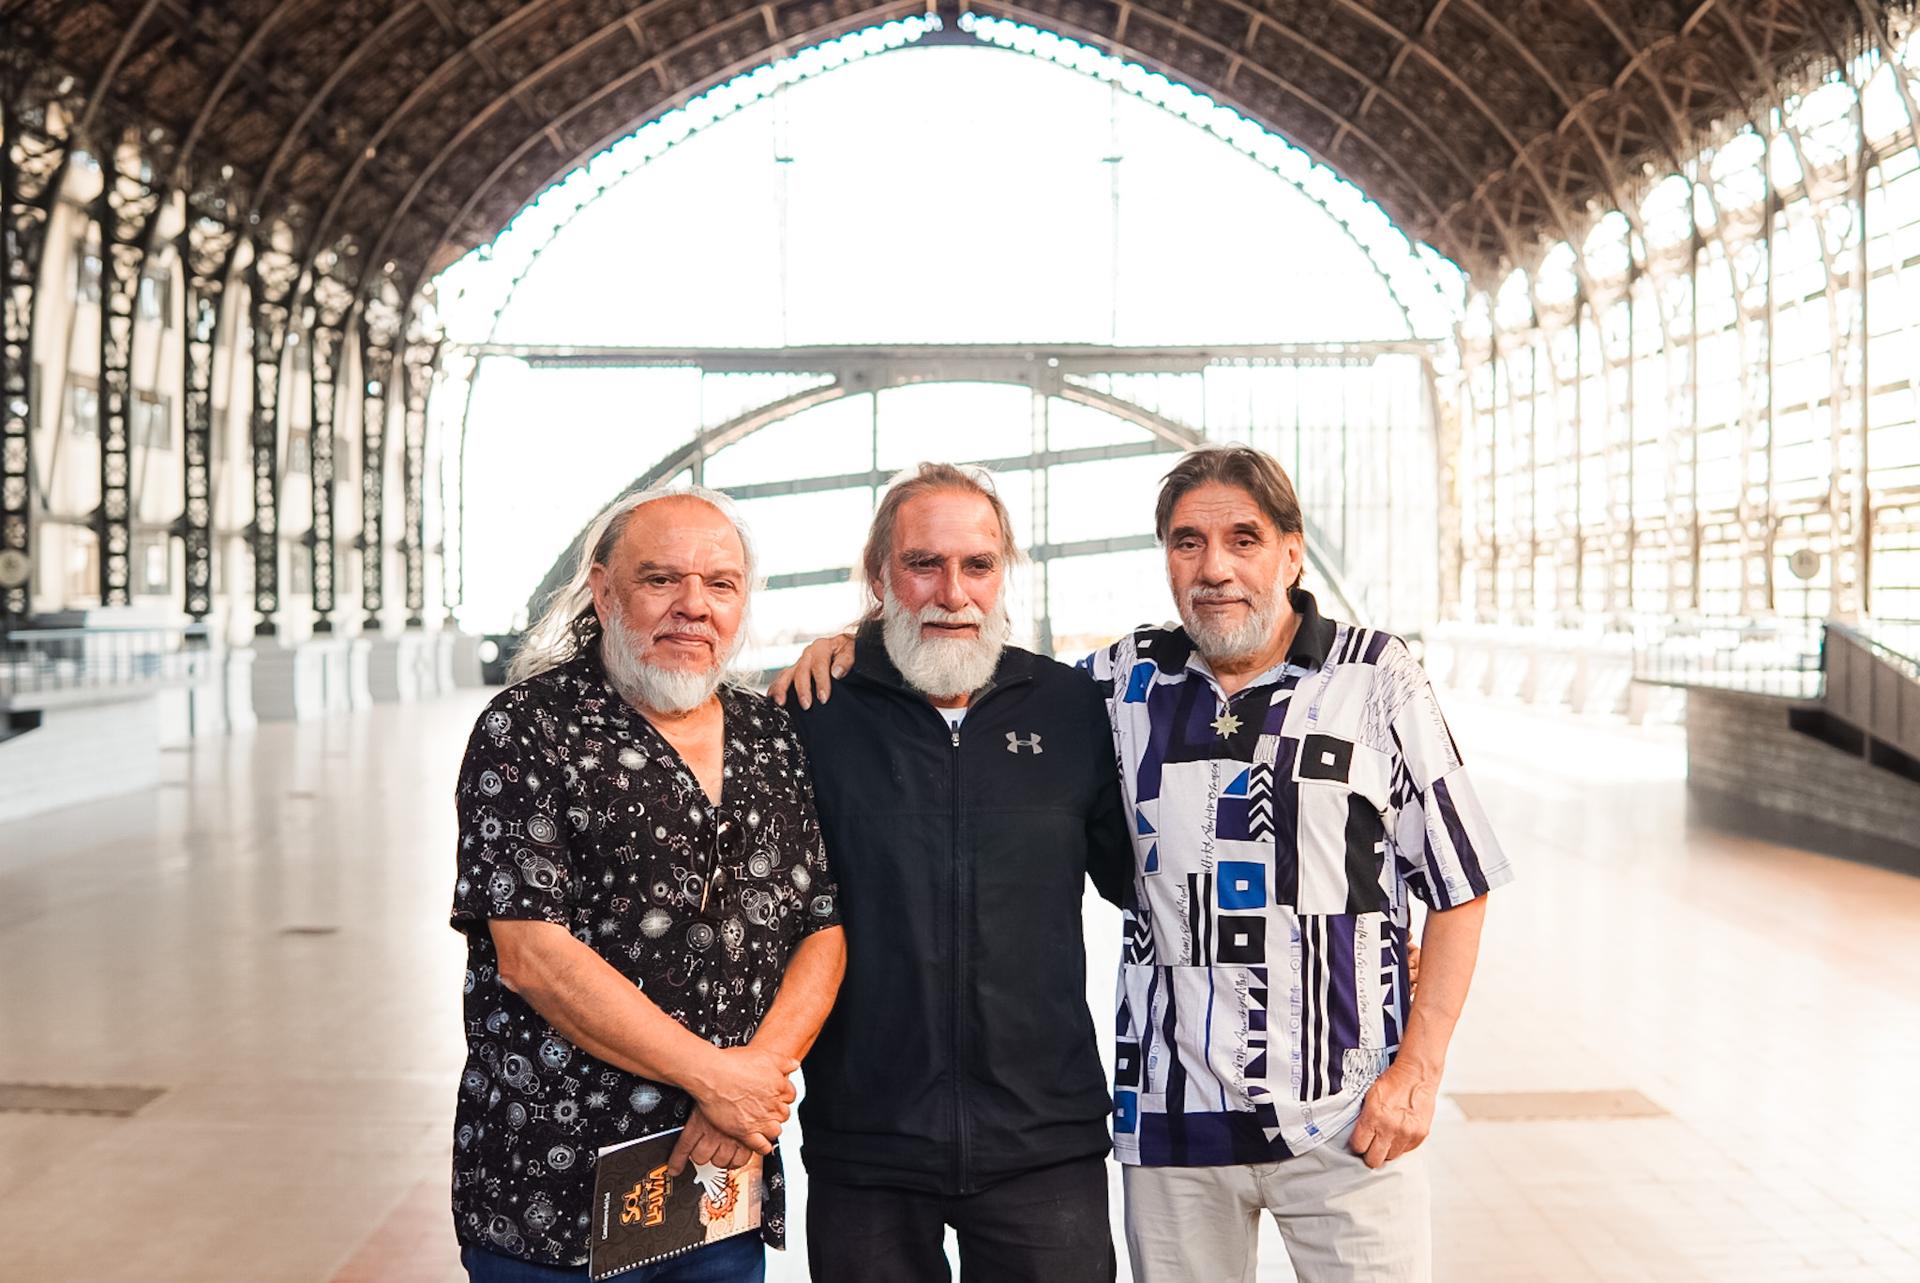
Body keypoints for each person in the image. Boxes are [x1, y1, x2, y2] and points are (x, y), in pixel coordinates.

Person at [780, 446, 1510, 1282]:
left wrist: (1417, 1069)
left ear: (1292, 549)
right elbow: (953, 656)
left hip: (1345, 1118)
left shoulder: (1375, 676)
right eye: (1187, 542)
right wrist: (850, 643)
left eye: (1244, 538)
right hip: (1173, 1123)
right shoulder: (1120, 685)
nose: (1216, 568)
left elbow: (1461, 881)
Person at [450, 486, 846, 1282]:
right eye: (661, 579)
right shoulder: (528, 728)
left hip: (718, 1176)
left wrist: (749, 1091)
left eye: (721, 584)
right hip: (551, 1195)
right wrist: (717, 1079)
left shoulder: (770, 733)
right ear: (603, 590)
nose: (693, 606)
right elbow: (531, 952)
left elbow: (821, 928)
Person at [777, 463, 1132, 1283]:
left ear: (1003, 572)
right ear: (878, 578)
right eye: (922, 563)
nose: (952, 590)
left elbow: (1147, 878)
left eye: (977, 564)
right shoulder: (810, 715)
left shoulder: (1070, 708)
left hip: (1045, 1141)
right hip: (866, 1141)